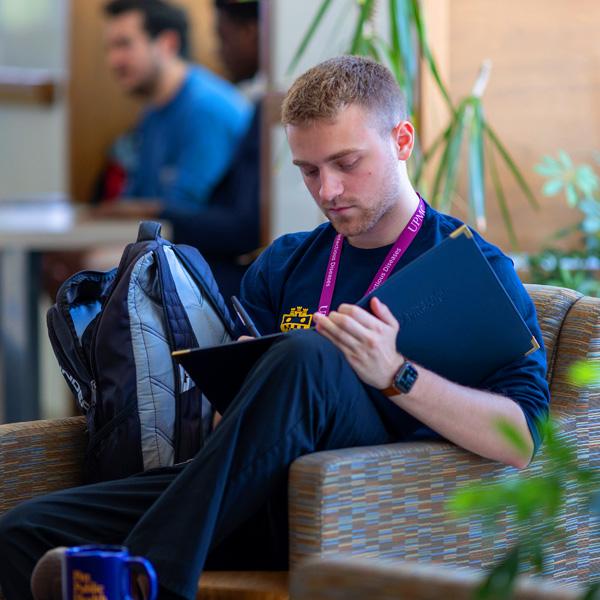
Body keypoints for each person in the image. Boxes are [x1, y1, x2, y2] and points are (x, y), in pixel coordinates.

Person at [0, 56, 549, 600]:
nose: (328, 190)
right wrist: (237, 386)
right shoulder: (285, 262)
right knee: (22, 533)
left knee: (308, 355)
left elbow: (521, 439)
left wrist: (395, 374)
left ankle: (154, 578)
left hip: (359, 503)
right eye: (309, 170)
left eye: (346, 162)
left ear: (403, 140)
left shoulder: (468, 267)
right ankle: (144, 568)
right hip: (239, 494)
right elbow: (225, 421)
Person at [95, 0, 251, 221]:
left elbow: (183, 211)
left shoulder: (205, 108)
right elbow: (136, 196)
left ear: (168, 44)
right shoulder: (152, 113)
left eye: (124, 44)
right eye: (109, 48)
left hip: (199, 251)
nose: (113, 60)